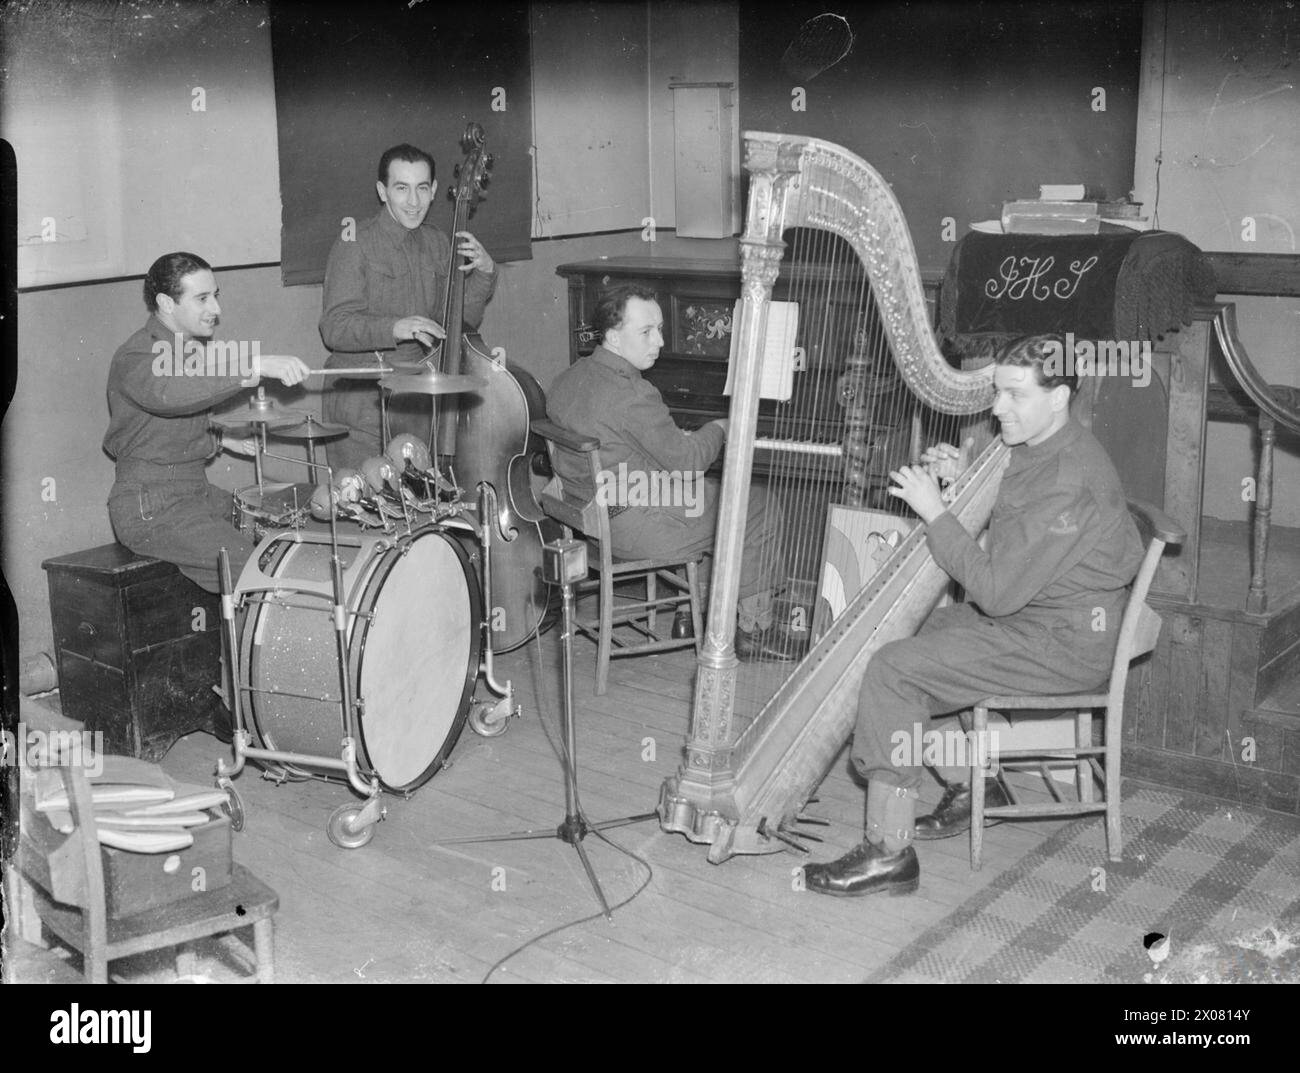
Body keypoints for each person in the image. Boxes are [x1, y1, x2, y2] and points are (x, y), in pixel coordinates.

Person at [802, 333, 1144, 896]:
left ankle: (889, 854)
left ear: (1058, 397)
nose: (996, 407)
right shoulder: (1050, 445)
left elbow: (994, 593)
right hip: (1038, 619)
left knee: (895, 669)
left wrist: (936, 511)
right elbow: (1016, 515)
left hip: (1060, 642)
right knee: (924, 633)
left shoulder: (1069, 476)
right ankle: (977, 785)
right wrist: (962, 479)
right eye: (996, 393)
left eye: (1014, 396)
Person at [546, 283, 799, 661]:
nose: (660, 341)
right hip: (635, 528)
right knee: (755, 505)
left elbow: (620, 442)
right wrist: (720, 428)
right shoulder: (633, 393)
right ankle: (754, 630)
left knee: (715, 499)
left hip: (591, 519)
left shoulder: (568, 378)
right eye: (646, 332)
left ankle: (690, 614)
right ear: (614, 338)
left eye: (660, 329)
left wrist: (664, 444)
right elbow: (689, 462)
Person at [105, 251, 310, 592]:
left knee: (279, 538)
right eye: (202, 298)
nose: (216, 309)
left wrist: (220, 439)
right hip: (151, 504)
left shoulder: (188, 353)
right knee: (257, 569)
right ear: (166, 303)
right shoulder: (136, 354)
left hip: (194, 491)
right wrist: (253, 364)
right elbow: (170, 394)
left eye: (215, 295)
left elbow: (170, 425)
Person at [319, 143, 497, 470]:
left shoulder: (437, 242)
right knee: (370, 507)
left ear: (434, 191)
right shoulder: (354, 242)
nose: (414, 202)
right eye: (402, 188)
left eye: (422, 188)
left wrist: (484, 274)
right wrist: (394, 327)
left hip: (417, 397)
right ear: (382, 191)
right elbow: (334, 327)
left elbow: (458, 325)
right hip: (364, 400)